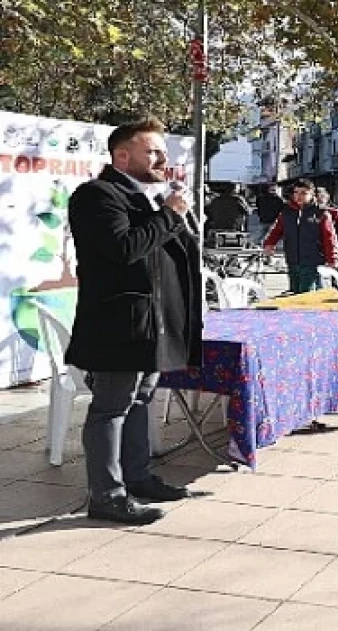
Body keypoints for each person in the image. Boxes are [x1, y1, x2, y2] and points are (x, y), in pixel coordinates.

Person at [65, 116, 204, 525]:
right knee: (110, 407)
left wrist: (174, 214)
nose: (162, 158)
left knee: (140, 400)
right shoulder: (97, 196)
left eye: (163, 151)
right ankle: (106, 495)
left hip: (150, 325)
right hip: (117, 326)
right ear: (122, 155)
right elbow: (125, 249)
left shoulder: (146, 197)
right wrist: (171, 214)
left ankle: (138, 477)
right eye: (152, 151)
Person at [263, 180, 338, 293]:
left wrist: (332, 259)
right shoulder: (287, 212)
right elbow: (276, 230)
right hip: (292, 259)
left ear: (312, 194)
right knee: (294, 292)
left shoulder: (320, 213)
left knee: (307, 294)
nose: (299, 196)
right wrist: (269, 244)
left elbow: (329, 238)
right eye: (296, 192)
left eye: (304, 193)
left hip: (313, 261)